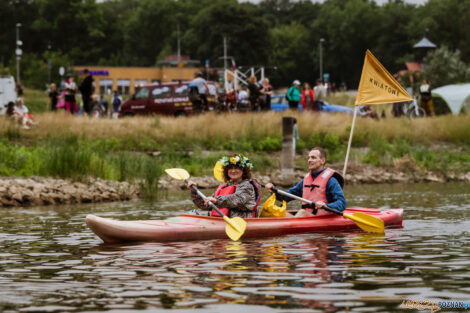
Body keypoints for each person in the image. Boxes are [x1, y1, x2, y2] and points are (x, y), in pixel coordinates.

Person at [265, 147, 346, 218]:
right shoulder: (306, 180)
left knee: (302, 212)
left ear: (322, 161)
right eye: (309, 158)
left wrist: (326, 206)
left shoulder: (331, 181)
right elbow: (288, 196)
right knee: (277, 213)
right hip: (307, 217)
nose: (309, 160)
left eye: (313, 158)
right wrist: (274, 190)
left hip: (324, 218)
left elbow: (342, 203)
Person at [186, 155, 261, 218]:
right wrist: (194, 192)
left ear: (243, 171)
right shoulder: (224, 187)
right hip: (221, 221)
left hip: (242, 221)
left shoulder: (247, 186)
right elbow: (205, 205)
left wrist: (216, 200)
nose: (233, 171)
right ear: (227, 171)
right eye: (230, 168)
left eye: (237, 168)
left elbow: (236, 199)